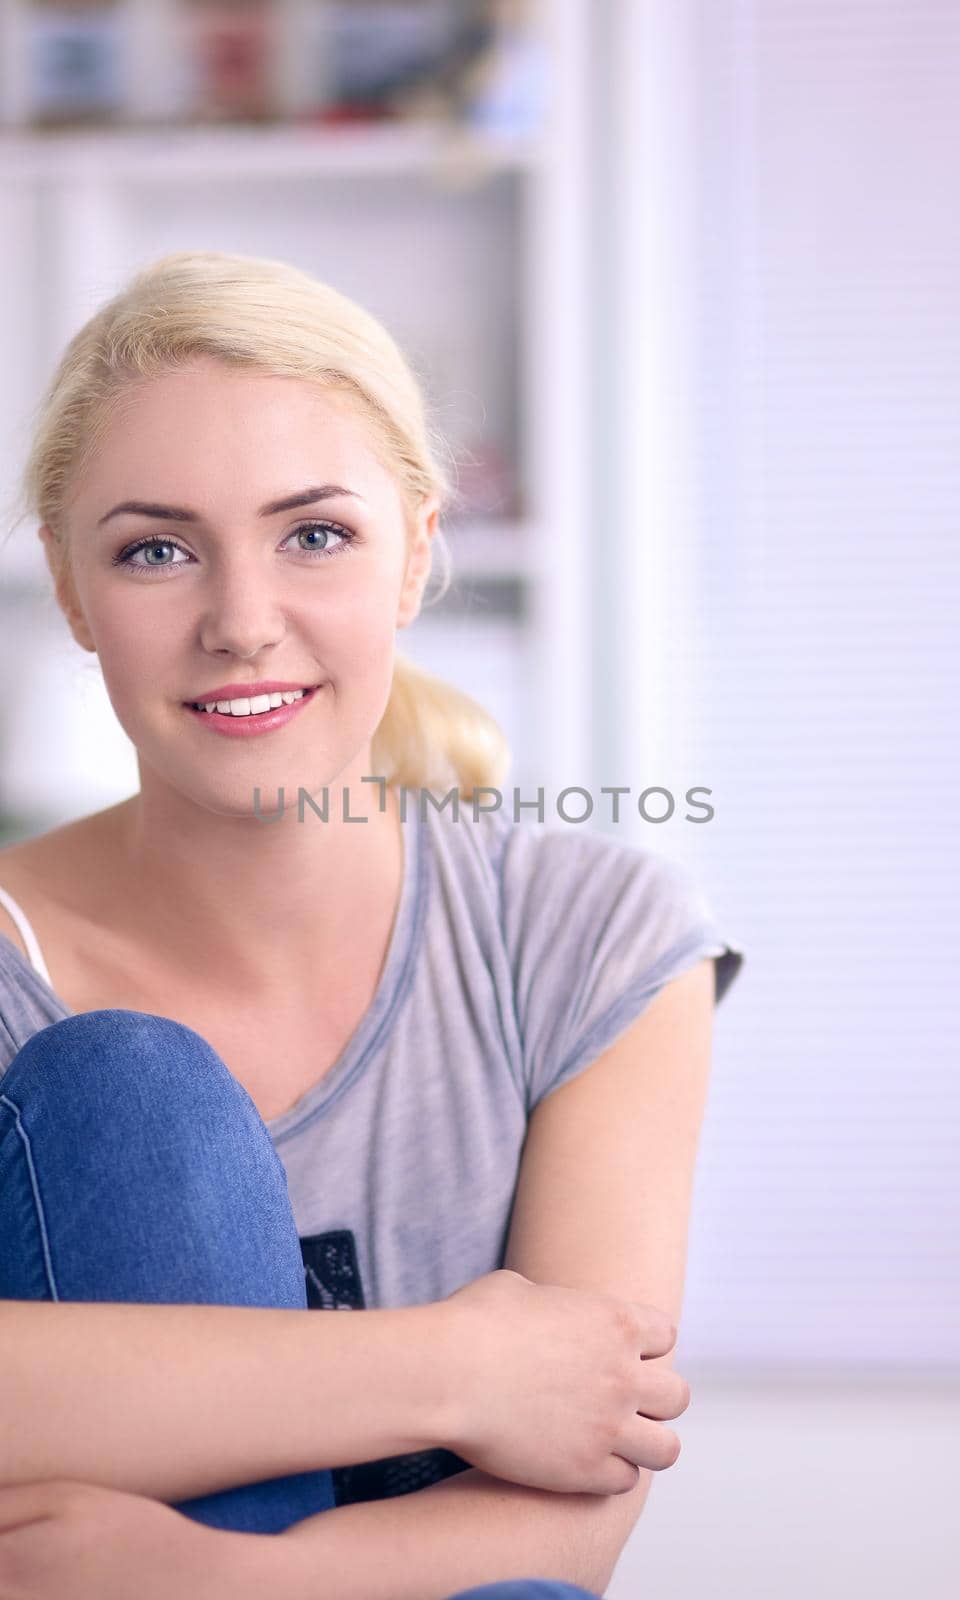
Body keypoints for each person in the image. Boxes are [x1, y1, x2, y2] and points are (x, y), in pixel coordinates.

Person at [0, 250, 744, 1600]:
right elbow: (545, 1391)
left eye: (315, 536)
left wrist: (205, 1584)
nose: (242, 621)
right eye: (156, 550)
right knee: (130, 1091)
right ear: (68, 587)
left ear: (414, 551)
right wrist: (462, 1370)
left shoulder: (587, 936)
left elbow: (575, 1502)